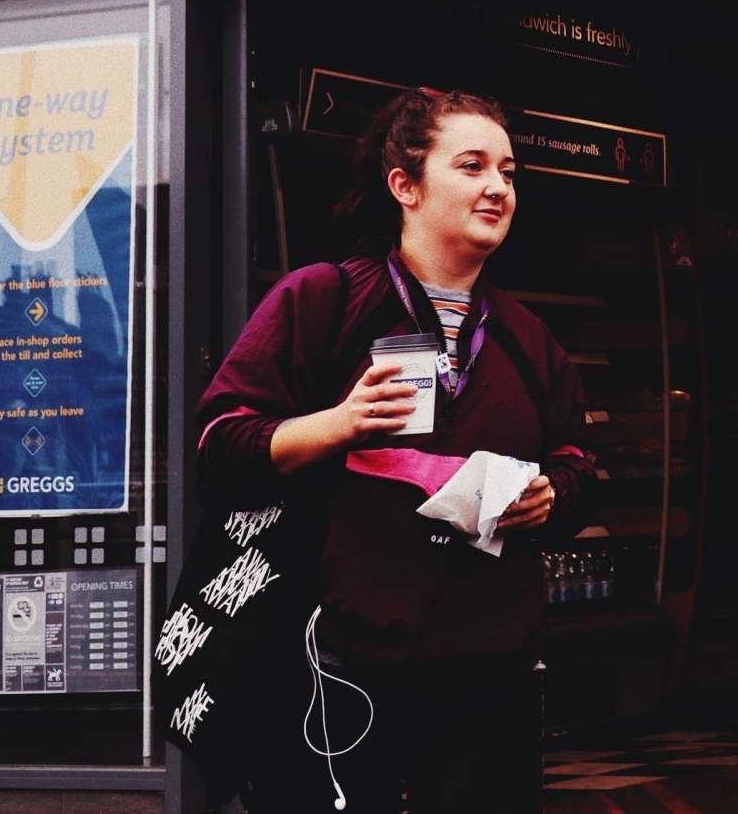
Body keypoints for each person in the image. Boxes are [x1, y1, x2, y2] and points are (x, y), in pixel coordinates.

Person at [195, 88, 597, 813]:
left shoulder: (528, 338)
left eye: (508, 172)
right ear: (404, 187)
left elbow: (575, 463)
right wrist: (339, 423)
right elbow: (219, 446)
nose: (497, 188)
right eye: (471, 166)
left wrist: (551, 496)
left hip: (491, 673)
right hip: (335, 666)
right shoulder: (321, 301)